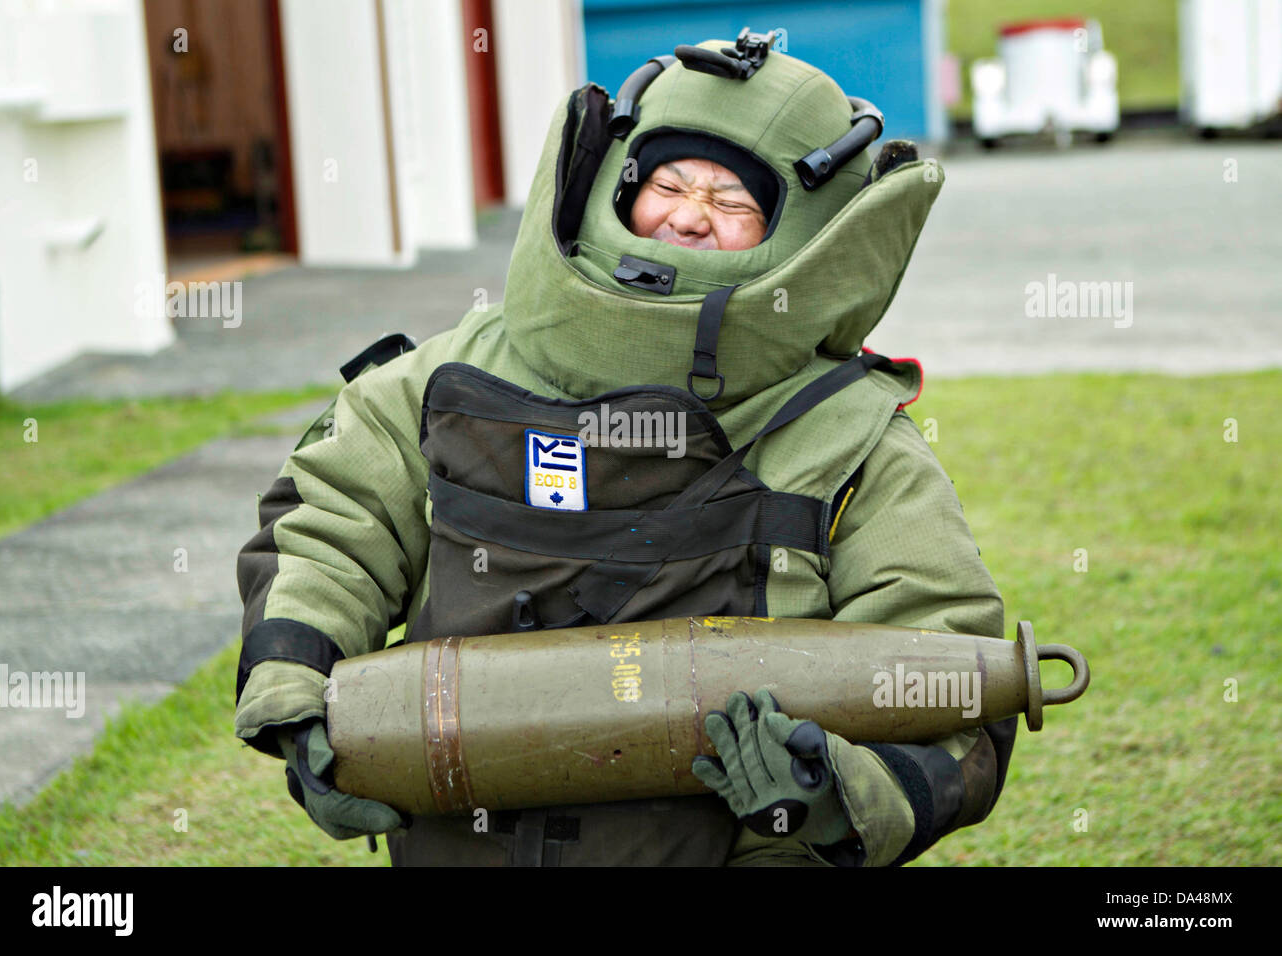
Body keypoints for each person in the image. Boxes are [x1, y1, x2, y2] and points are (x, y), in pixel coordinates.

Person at [234, 31, 1016, 867]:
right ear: (610, 185)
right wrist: (293, 688)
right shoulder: (442, 380)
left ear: (808, 240)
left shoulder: (844, 436)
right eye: (668, 184)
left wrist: (835, 793)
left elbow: (948, 666)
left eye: (733, 203)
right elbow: (330, 525)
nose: (688, 216)